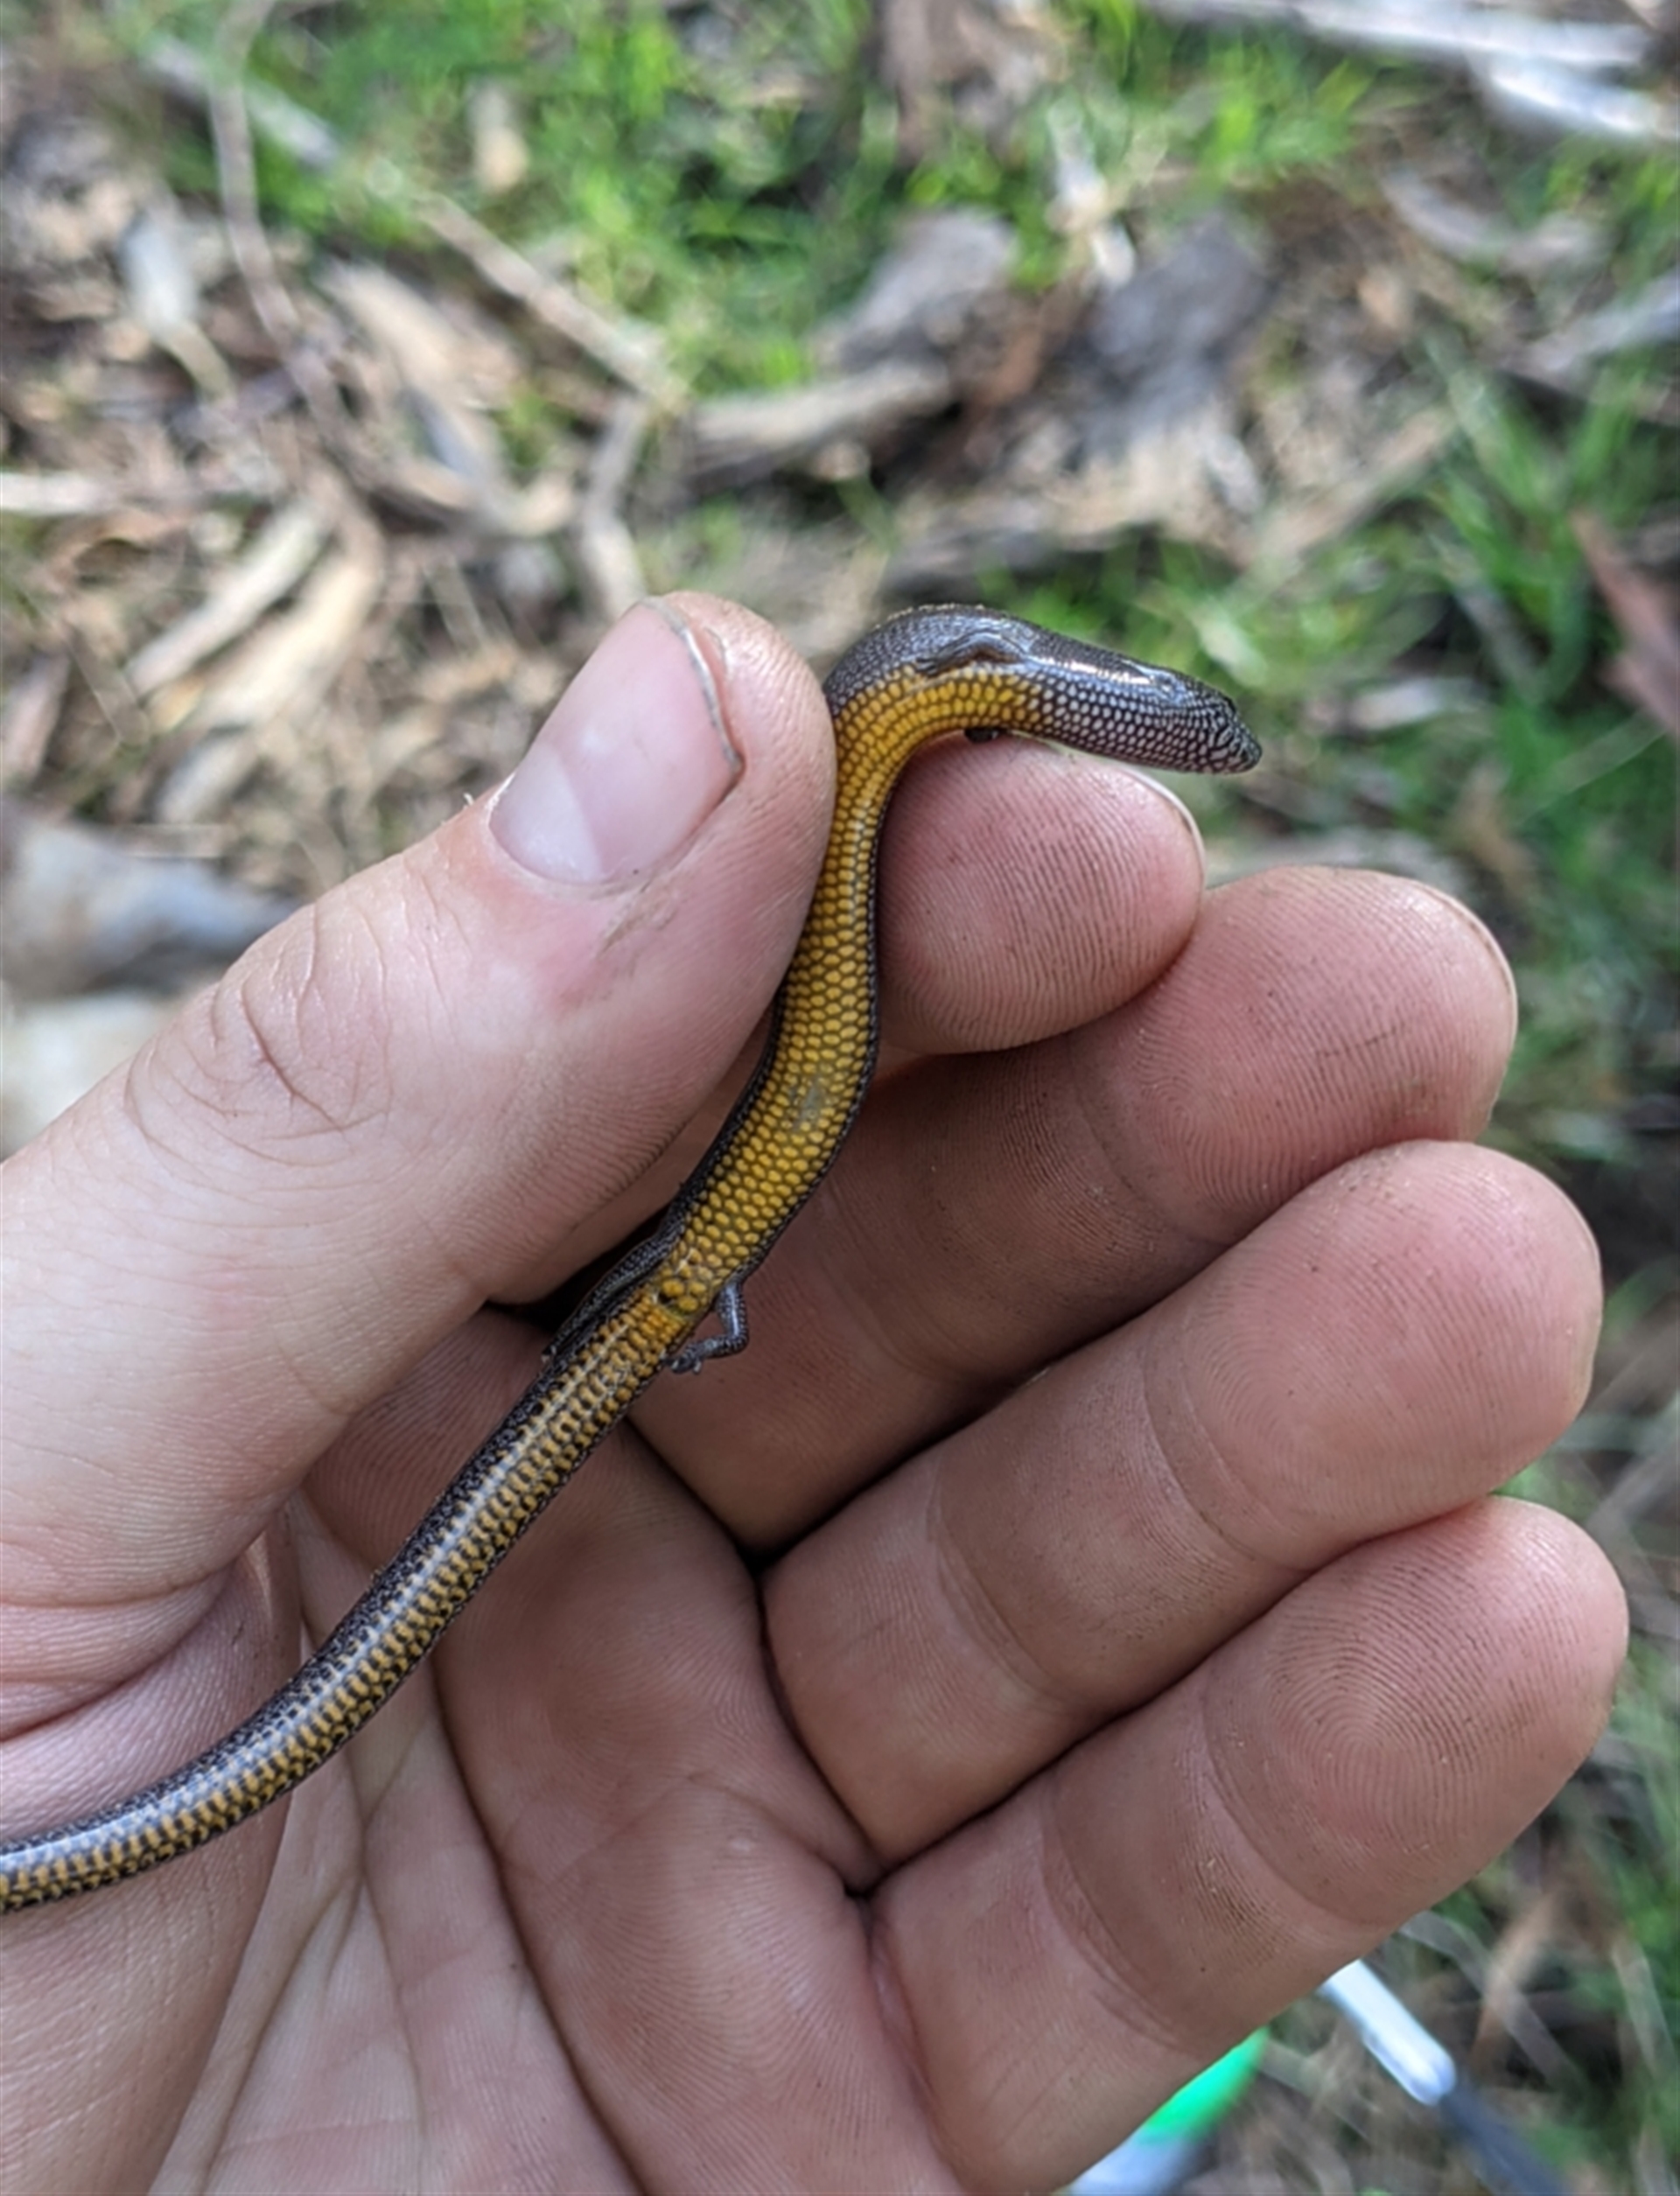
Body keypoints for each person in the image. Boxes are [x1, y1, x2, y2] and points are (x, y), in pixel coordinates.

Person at [1, 596, 1623, 2192]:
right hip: (672, 1279)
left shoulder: (973, 693)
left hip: (685, 1285)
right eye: (1189, 738)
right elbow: (938, 681)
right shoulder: (947, 682)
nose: (1200, 750)